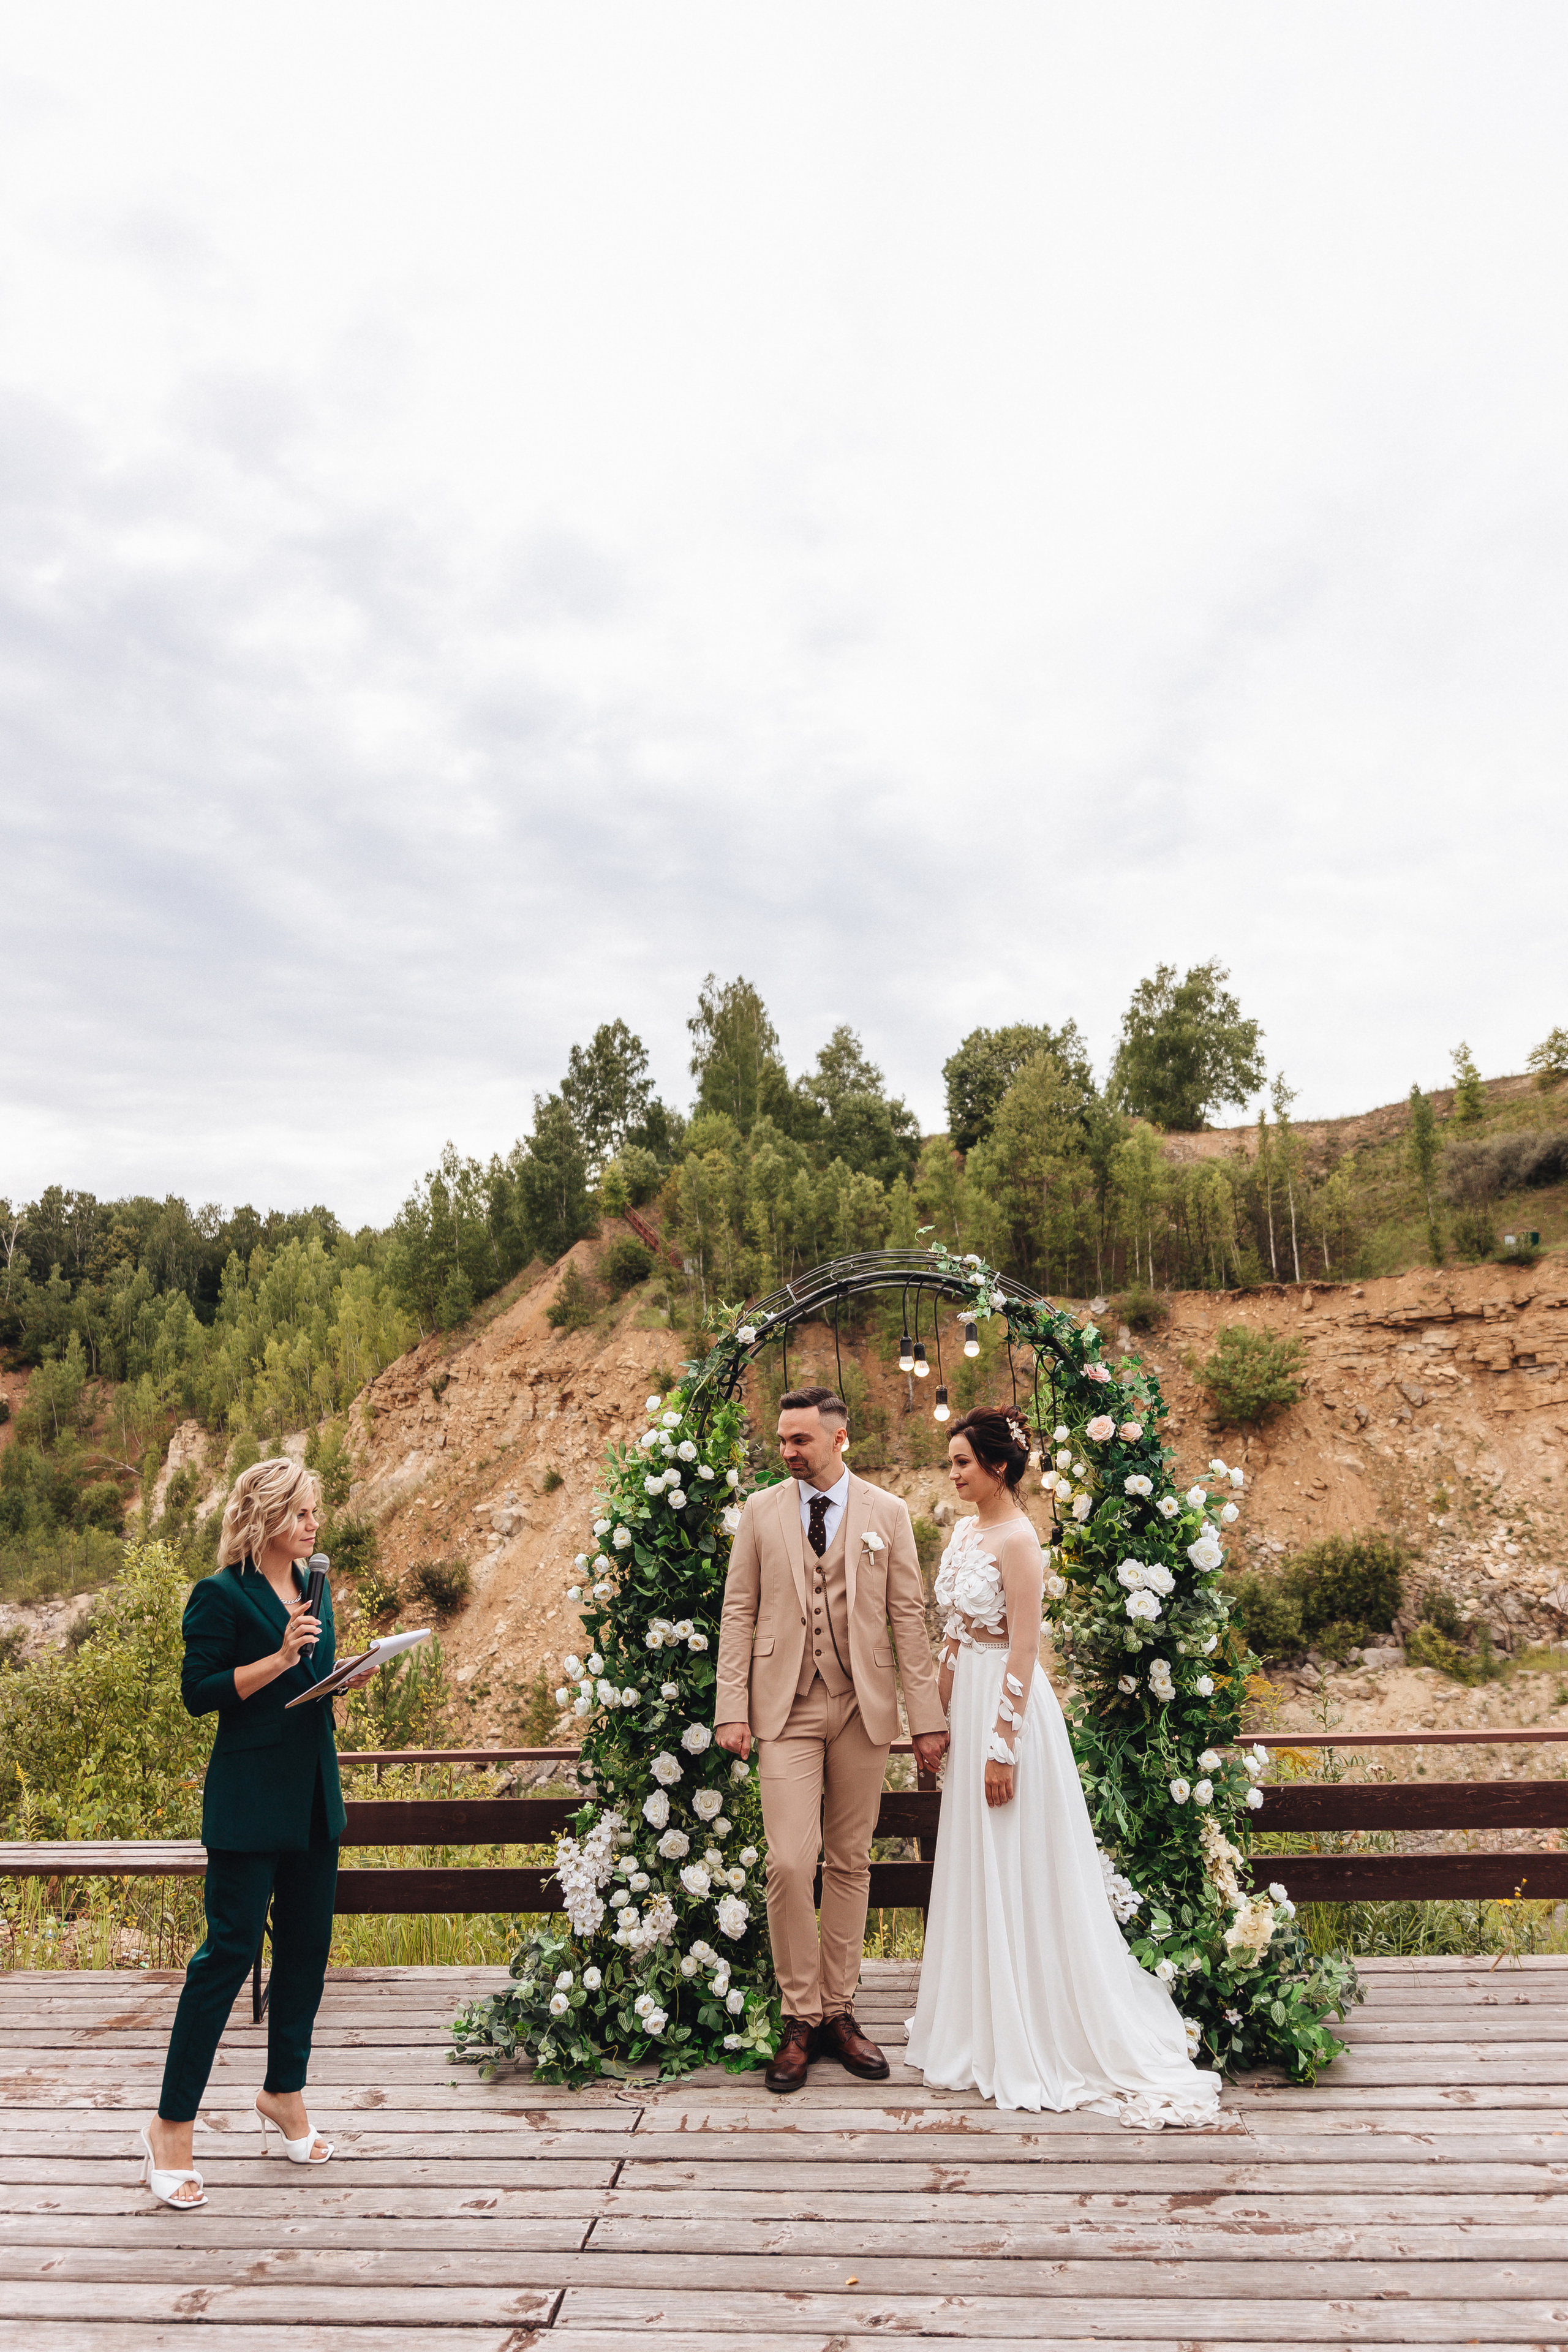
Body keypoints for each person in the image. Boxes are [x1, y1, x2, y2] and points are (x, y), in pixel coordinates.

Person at [905, 1406, 1222, 2126]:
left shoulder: (1019, 1542)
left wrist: (998, 1745)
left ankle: (1039, 2021)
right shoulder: (962, 1531)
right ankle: (976, 2018)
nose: (953, 1474)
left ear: (999, 1468)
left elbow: (1023, 1649)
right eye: (951, 1462)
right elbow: (951, 1634)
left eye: (963, 1463)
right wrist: (937, 1716)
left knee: (1019, 1858)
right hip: (965, 1700)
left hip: (1010, 1714)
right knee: (974, 1862)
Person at [138, 1458, 375, 2209]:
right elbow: (198, 1694)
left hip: (313, 1799)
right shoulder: (219, 1595)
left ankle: (284, 2094)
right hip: (246, 1804)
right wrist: (276, 1658)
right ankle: (171, 2125)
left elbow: (309, 1687)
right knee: (227, 1957)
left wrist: (341, 1682)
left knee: (307, 1951)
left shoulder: (315, 1588)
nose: (314, 1525)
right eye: (302, 1513)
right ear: (267, 1518)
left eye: (314, 1512)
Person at [715, 1385, 949, 2094]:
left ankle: (839, 2012)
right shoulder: (760, 1511)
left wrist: (928, 1718)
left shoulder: (888, 1512)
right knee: (789, 1862)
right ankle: (798, 2017)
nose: (786, 1452)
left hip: (863, 1708)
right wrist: (732, 1707)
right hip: (782, 1707)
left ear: (839, 1439)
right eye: (782, 1440)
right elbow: (738, 1611)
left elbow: (908, 1618)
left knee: (849, 1861)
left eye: (799, 1441)